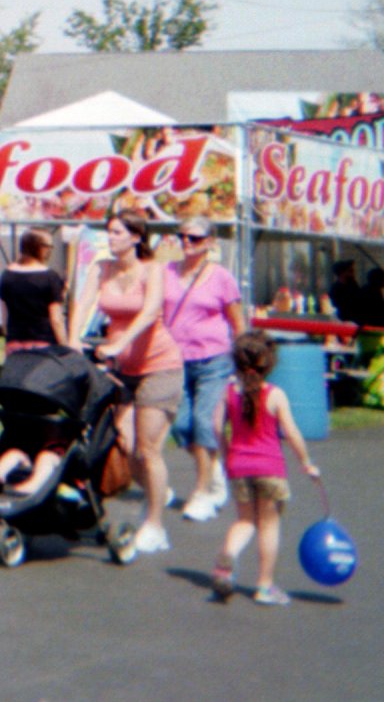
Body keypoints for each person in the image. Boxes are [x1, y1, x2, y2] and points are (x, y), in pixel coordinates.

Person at [68, 211, 182, 553]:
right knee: (128, 445)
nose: (111, 237)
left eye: (118, 232)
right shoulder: (102, 268)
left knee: (148, 449)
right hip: (121, 370)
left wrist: (119, 342)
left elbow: (149, 313)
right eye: (109, 231)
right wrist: (73, 338)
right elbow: (83, 301)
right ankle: (155, 491)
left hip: (159, 366)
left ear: (136, 237)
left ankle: (155, 524)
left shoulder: (152, 270)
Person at [210, 330, 319, 606]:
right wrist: (306, 463)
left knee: (244, 521)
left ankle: (226, 561)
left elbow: (215, 426)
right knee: (269, 526)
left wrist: (226, 454)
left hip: (239, 466)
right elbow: (292, 433)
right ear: (269, 364)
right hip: (269, 469)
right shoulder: (275, 395)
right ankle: (264, 586)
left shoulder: (229, 392)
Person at [164, 216, 246, 522]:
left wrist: (243, 365)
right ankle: (213, 472)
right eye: (182, 236)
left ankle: (202, 493)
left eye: (195, 238)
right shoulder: (166, 272)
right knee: (180, 425)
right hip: (175, 359)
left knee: (203, 421)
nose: (187, 243)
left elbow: (237, 323)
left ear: (210, 243)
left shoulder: (221, 277)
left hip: (214, 359)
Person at [0, 228, 65, 354]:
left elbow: (4, 316)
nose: (50, 250)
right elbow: (56, 319)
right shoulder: (50, 277)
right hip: (43, 345)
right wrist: (64, 347)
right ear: (40, 248)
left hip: (14, 345)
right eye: (49, 246)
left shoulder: (6, 275)